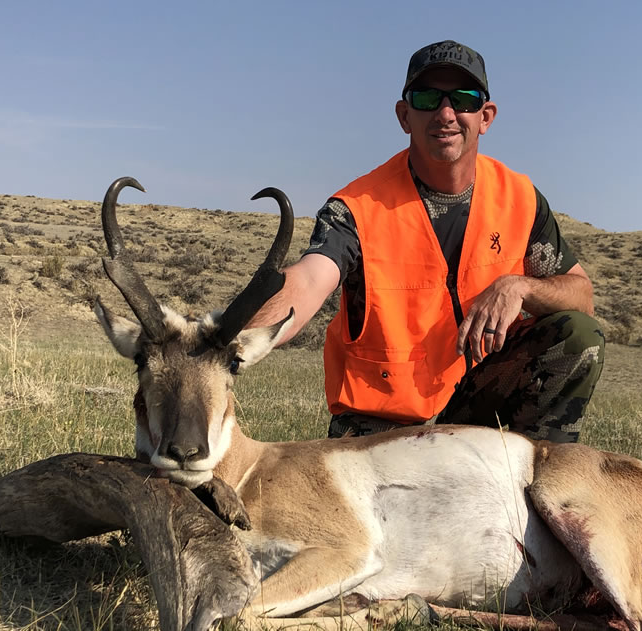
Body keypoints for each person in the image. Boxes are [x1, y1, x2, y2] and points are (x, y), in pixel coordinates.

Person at [251, 40, 603, 443]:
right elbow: (310, 279)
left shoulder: (519, 199)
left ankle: (535, 474)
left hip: (473, 407)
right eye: (427, 98)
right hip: (381, 427)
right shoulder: (358, 208)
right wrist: (229, 336)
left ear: (485, 117)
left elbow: (581, 296)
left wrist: (520, 287)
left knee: (577, 334)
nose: (446, 114)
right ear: (405, 116)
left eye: (464, 99)